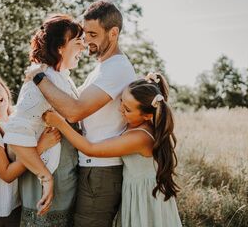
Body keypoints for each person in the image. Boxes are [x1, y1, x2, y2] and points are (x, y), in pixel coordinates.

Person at [25, 0, 136, 226]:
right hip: (89, 166)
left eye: (93, 34)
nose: (86, 41)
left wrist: (38, 77)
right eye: (85, 34)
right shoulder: (102, 67)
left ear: (113, 33)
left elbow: (74, 112)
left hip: (102, 171)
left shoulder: (117, 68)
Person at [43, 73, 182, 227]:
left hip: (146, 196)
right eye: (121, 101)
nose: (120, 109)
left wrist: (60, 123)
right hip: (135, 191)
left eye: (127, 109)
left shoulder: (140, 138)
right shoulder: (139, 124)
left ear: (147, 116)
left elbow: (91, 149)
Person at [3, 14, 85, 226]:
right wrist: (45, 177)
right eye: (78, 43)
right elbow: (15, 132)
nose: (83, 48)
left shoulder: (62, 78)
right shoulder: (41, 81)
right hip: (47, 177)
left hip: (65, 175)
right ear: (60, 47)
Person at [0, 72, 61, 227]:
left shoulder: (14, 117)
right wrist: (40, 147)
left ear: (6, 90)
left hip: (11, 204)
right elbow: (6, 174)